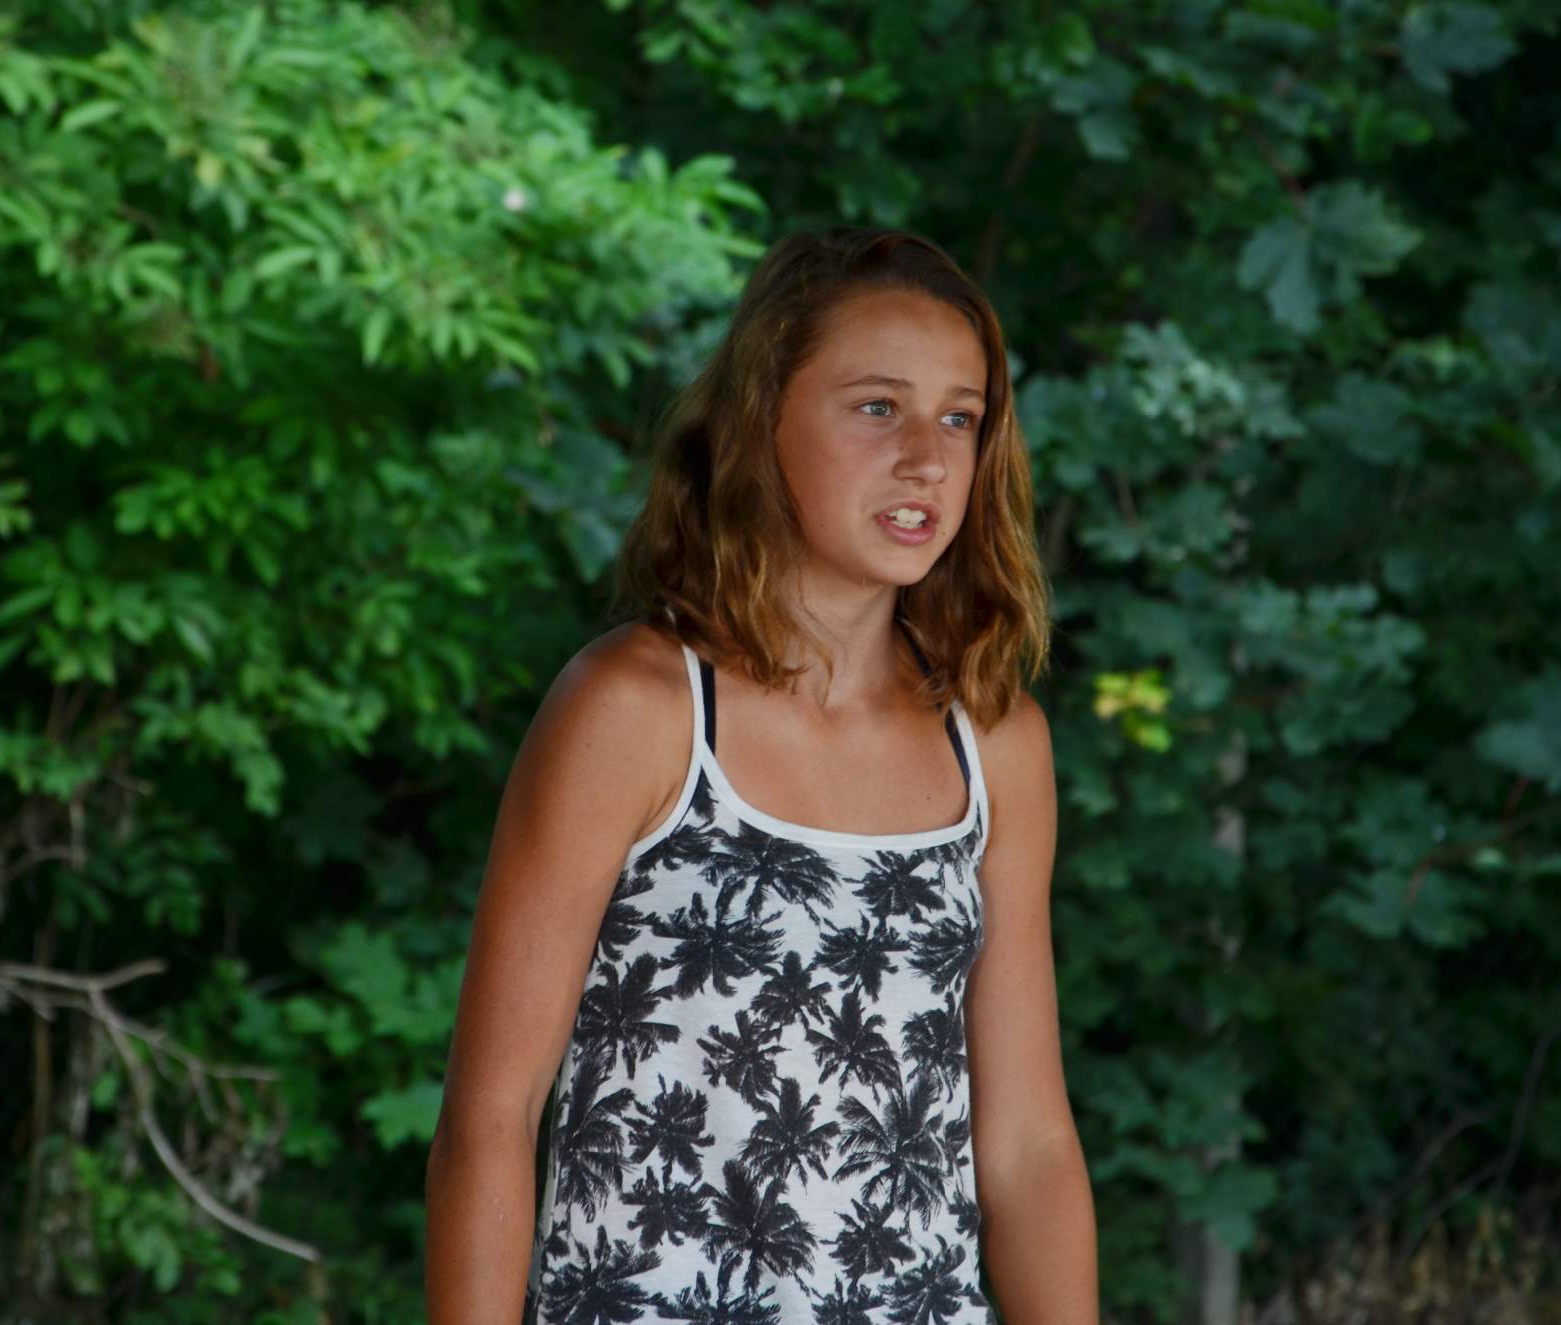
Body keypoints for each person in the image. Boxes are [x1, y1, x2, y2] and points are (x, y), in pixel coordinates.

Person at [425, 226, 1094, 1323]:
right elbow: (490, 1117)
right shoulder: (633, 710)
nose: (926, 458)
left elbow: (1025, 1143)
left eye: (960, 417)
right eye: (876, 407)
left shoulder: (993, 740)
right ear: (759, 419)